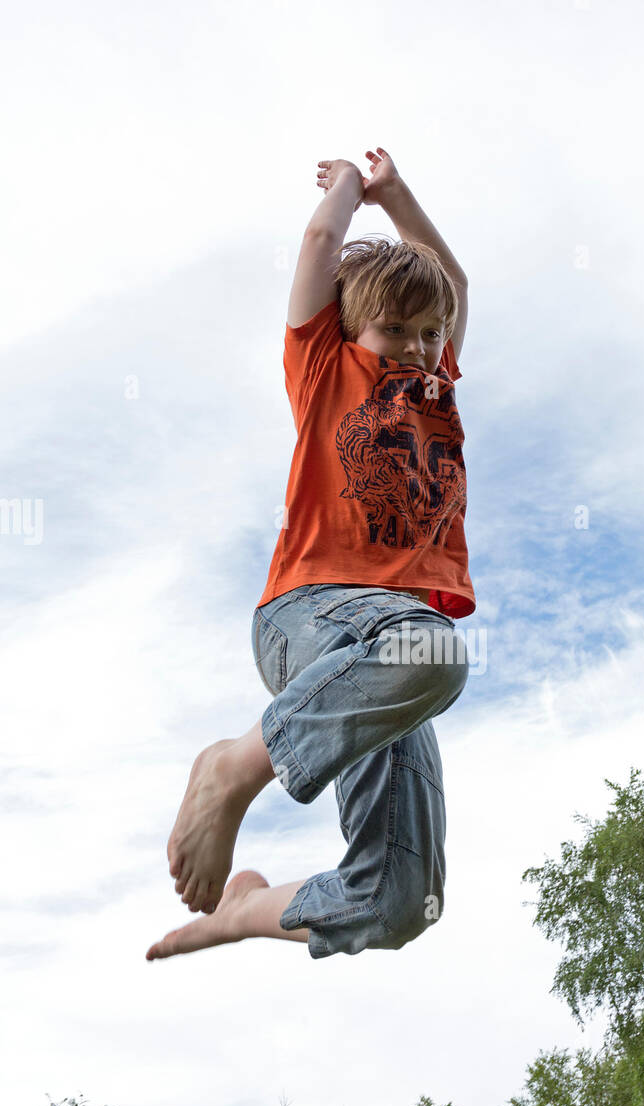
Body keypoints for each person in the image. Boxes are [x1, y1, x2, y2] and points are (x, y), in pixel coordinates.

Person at [147, 147, 475, 963]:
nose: (414, 348)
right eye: (394, 330)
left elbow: (454, 287)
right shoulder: (327, 366)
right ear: (350, 328)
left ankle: (239, 914)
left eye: (428, 334)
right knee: (431, 648)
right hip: (310, 614)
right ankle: (234, 770)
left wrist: (403, 198)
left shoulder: (437, 383)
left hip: (375, 671)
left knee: (403, 898)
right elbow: (319, 251)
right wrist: (352, 190)